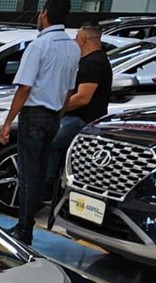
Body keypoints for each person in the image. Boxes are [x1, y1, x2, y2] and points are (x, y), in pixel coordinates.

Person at [0, 0, 78, 244]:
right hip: (54, 116)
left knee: (28, 174)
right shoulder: (73, 47)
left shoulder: (39, 45)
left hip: (33, 115)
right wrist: (59, 114)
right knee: (40, 172)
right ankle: (27, 223)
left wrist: (7, 122)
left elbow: (24, 88)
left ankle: (24, 228)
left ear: (44, 14)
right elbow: (69, 89)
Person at [44, 22, 111, 206]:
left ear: (82, 39)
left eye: (76, 38)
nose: (74, 41)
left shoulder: (93, 63)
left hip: (82, 119)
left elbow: (82, 97)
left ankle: (46, 187)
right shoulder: (95, 60)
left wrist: (57, 109)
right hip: (81, 117)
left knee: (49, 140)